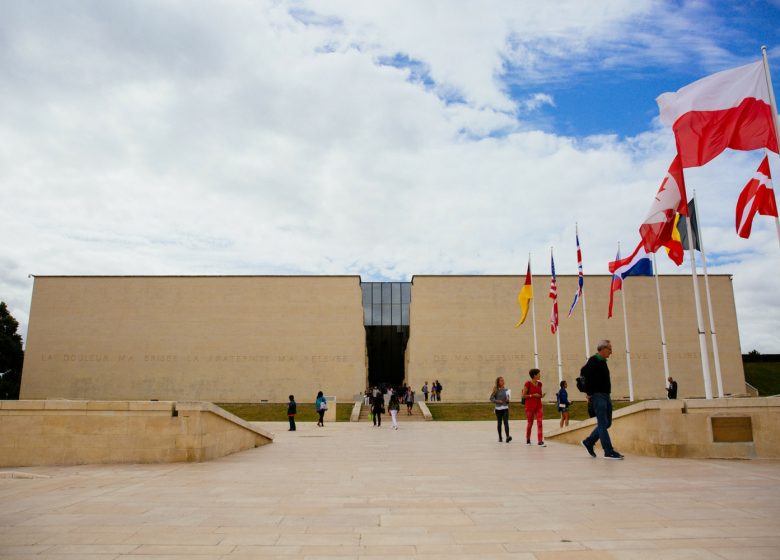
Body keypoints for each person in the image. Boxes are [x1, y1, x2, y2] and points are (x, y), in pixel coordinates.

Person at [581, 340, 624, 460]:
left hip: (605, 395)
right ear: (603, 349)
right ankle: (608, 451)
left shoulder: (603, 362)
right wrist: (589, 393)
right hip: (597, 396)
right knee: (602, 423)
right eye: (610, 349)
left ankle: (589, 441)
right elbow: (584, 375)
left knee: (607, 423)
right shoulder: (593, 361)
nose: (611, 352)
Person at [522, 369, 546, 446]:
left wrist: (541, 396)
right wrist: (533, 395)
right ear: (534, 375)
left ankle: (540, 441)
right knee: (530, 423)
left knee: (540, 422)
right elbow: (523, 396)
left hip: (539, 406)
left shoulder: (540, 384)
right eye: (539, 374)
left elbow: (539, 394)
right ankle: (528, 439)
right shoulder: (527, 383)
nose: (540, 375)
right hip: (529, 406)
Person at [490, 376, 512, 443]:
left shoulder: (507, 390)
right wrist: (497, 401)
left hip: (505, 408)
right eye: (501, 381)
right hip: (498, 409)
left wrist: (508, 400)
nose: (503, 382)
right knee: (499, 423)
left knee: (506, 422)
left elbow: (508, 401)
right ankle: (500, 437)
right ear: (498, 382)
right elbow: (491, 398)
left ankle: (507, 437)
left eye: (503, 380)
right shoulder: (496, 390)